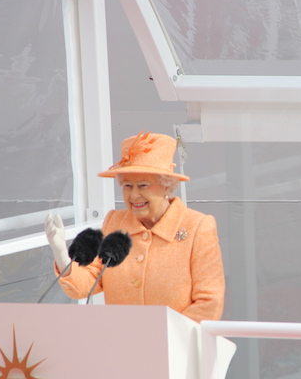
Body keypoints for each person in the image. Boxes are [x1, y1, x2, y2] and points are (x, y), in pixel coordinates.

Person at [45, 131, 225, 323]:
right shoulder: (114, 223)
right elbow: (86, 284)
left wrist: (166, 339)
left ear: (167, 186)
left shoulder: (198, 227)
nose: (133, 195)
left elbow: (209, 302)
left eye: (143, 185)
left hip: (176, 349)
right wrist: (62, 256)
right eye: (128, 186)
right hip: (121, 344)